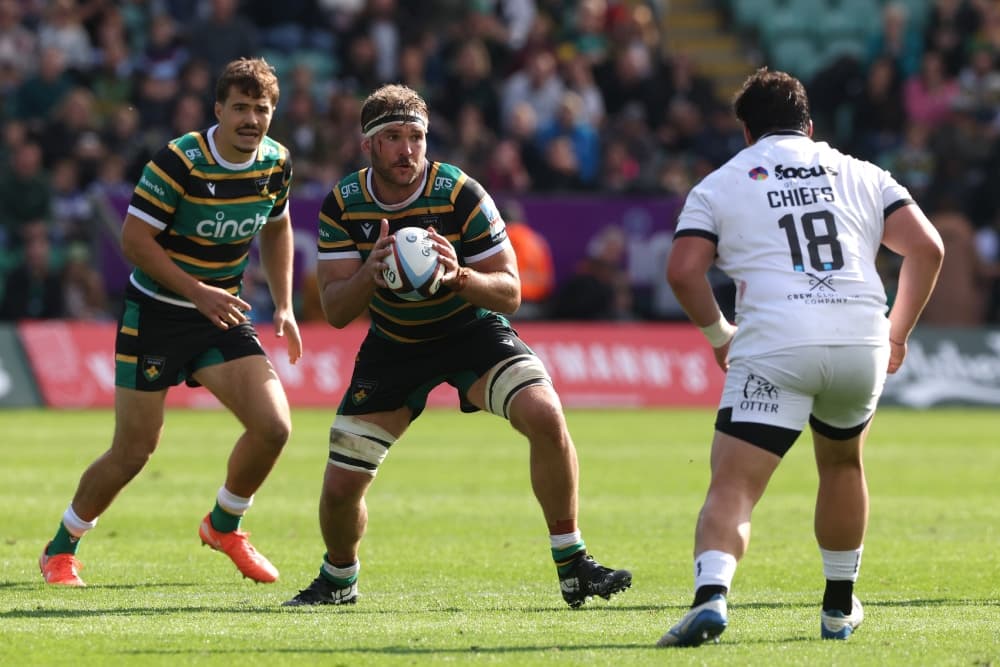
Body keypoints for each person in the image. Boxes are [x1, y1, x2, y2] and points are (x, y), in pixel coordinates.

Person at [284, 83, 631, 608]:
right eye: (393, 137)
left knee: (545, 415)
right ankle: (339, 579)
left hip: (471, 331)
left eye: (416, 137)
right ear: (368, 145)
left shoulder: (460, 192)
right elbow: (335, 311)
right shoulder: (344, 203)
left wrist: (460, 276)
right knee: (340, 487)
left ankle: (572, 563)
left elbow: (510, 292)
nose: (407, 150)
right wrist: (369, 272)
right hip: (395, 344)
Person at [658, 68, 943, 647]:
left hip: (776, 342)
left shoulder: (720, 183)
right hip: (860, 340)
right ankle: (838, 607)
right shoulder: (863, 173)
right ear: (809, 126)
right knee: (842, 465)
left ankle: (711, 597)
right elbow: (928, 248)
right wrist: (896, 333)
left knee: (735, 483)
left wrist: (719, 335)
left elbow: (683, 271)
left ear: (746, 132)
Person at [39, 57, 302, 587]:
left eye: (262, 109)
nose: (251, 119)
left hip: (219, 313)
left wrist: (285, 304)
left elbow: (278, 227)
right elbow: (135, 242)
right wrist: (197, 291)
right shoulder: (180, 160)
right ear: (218, 110)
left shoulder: (276, 161)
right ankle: (61, 548)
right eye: (241, 108)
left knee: (274, 427)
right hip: (157, 313)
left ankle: (224, 524)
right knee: (134, 451)